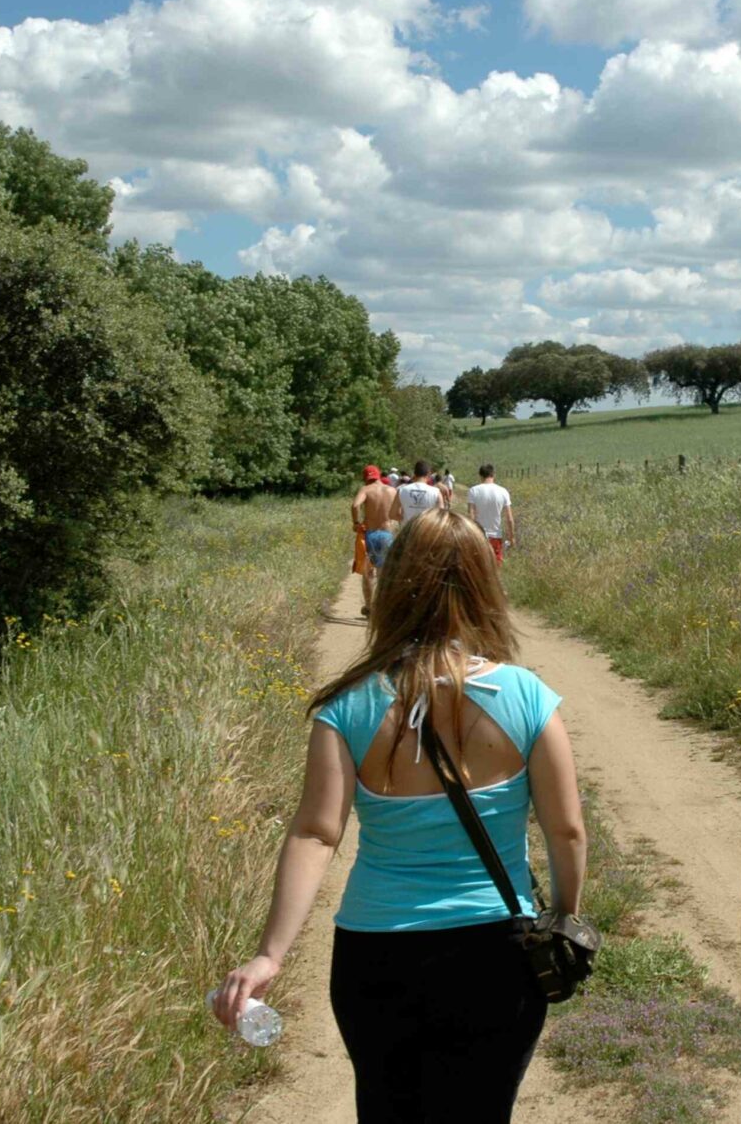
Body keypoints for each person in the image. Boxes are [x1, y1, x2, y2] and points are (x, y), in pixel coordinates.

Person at [212, 509, 588, 1124]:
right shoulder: (526, 696)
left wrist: (270, 955)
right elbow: (567, 828)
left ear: (391, 582)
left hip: (375, 955)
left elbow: (315, 832)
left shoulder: (347, 706)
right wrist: (565, 913)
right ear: (483, 583)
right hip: (497, 952)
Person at [350, 465, 397, 617]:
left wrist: (356, 523)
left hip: (370, 534)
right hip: (387, 534)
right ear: (378, 475)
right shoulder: (392, 490)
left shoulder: (365, 489)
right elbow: (399, 513)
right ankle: (383, 608)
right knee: (383, 574)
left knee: (368, 573)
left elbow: (355, 505)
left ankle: (369, 608)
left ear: (366, 477)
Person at [468, 463, 515, 567]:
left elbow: (471, 516)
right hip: (495, 536)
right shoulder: (503, 491)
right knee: (495, 568)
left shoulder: (473, 491)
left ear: (480, 475)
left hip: (478, 535)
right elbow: (510, 519)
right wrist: (512, 538)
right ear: (493, 474)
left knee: (478, 568)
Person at [394, 459, 444, 527]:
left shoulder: (401, 490)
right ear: (429, 474)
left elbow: (392, 514)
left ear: (414, 474)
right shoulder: (436, 492)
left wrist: (405, 521)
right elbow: (441, 517)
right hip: (426, 531)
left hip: (407, 531)